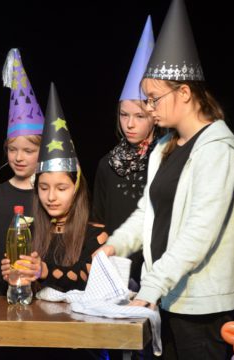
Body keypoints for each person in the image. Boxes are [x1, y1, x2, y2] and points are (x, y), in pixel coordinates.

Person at [98, 0, 234, 358]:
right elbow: (148, 211)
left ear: (184, 93)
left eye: (153, 99)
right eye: (146, 100)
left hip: (203, 309)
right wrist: (114, 245)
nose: (149, 109)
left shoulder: (218, 151)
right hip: (169, 299)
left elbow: (199, 232)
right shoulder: (165, 147)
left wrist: (151, 286)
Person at [1, 83, 108, 293]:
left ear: (76, 188)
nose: (51, 197)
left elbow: (84, 277)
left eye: (61, 188)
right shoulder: (28, 233)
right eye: (43, 187)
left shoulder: (96, 236)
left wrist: (42, 270)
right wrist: (15, 275)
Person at [92, 16, 159, 290]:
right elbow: (98, 221)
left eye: (139, 116)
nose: (130, 124)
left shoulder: (165, 157)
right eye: (123, 115)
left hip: (158, 266)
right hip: (118, 266)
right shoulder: (108, 164)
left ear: (154, 115)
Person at [0, 48, 43, 294]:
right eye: (13, 149)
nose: (18, 157)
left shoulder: (48, 196)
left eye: (28, 151)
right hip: (0, 295)